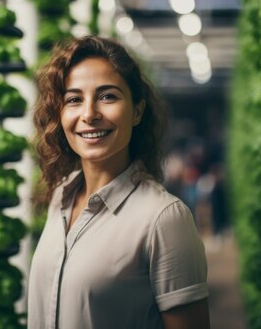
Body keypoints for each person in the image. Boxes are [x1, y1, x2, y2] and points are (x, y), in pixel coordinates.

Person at [28, 36, 209, 329]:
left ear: (137, 111)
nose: (89, 114)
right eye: (74, 99)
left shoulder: (163, 219)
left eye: (107, 96)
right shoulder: (61, 197)